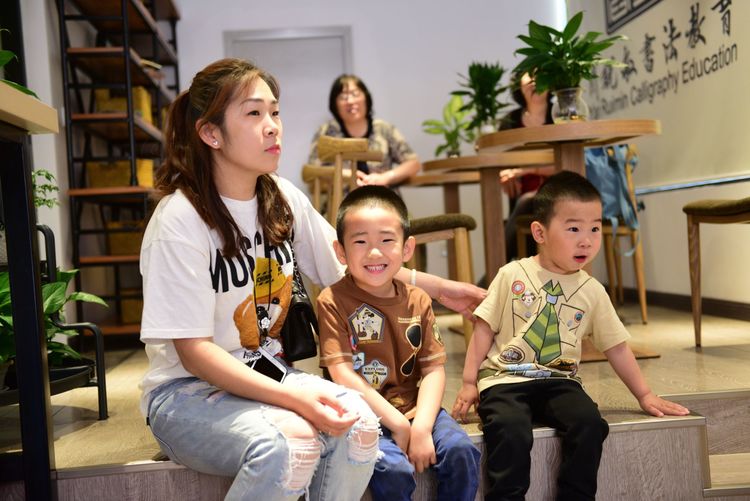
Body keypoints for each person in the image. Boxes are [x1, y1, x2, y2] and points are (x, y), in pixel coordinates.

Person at [139, 58, 486, 501]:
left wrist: (440, 288)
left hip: (270, 372)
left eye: (275, 112)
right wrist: (296, 400)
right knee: (291, 444)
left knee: (361, 426)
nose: (273, 126)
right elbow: (195, 353)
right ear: (211, 133)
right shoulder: (179, 221)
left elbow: (352, 267)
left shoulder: (280, 197)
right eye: (254, 113)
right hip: (186, 394)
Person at [451, 171, 689, 501]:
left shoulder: (592, 290)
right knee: (510, 429)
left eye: (595, 229)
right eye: (574, 228)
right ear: (540, 232)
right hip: (504, 380)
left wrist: (644, 394)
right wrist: (468, 381)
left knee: (589, 424)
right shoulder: (512, 273)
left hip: (560, 381)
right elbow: (483, 327)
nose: (586, 240)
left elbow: (616, 348)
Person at [317, 185, 481, 501]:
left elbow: (433, 370)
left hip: (415, 406)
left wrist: (421, 427)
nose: (374, 253)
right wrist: (397, 424)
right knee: (390, 468)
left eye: (387, 240)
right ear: (341, 251)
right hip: (362, 414)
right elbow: (342, 374)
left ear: (407, 249)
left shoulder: (418, 299)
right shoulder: (332, 300)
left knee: (461, 451)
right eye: (360, 241)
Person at [307, 74, 421, 189]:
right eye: (343, 97)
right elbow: (310, 173)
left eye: (355, 94)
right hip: (342, 198)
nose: (350, 101)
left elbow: (413, 163)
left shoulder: (384, 128)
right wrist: (343, 174)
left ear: (366, 98)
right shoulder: (326, 132)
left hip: (382, 196)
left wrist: (386, 177)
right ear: (335, 104)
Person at [499, 72, 555, 263]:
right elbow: (498, 159)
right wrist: (504, 175)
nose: (533, 79)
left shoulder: (560, 114)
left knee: (529, 201)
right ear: (519, 85)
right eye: (528, 75)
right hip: (519, 198)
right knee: (525, 205)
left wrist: (523, 170)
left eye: (540, 74)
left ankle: (495, 270)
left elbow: (566, 163)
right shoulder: (510, 121)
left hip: (557, 191)